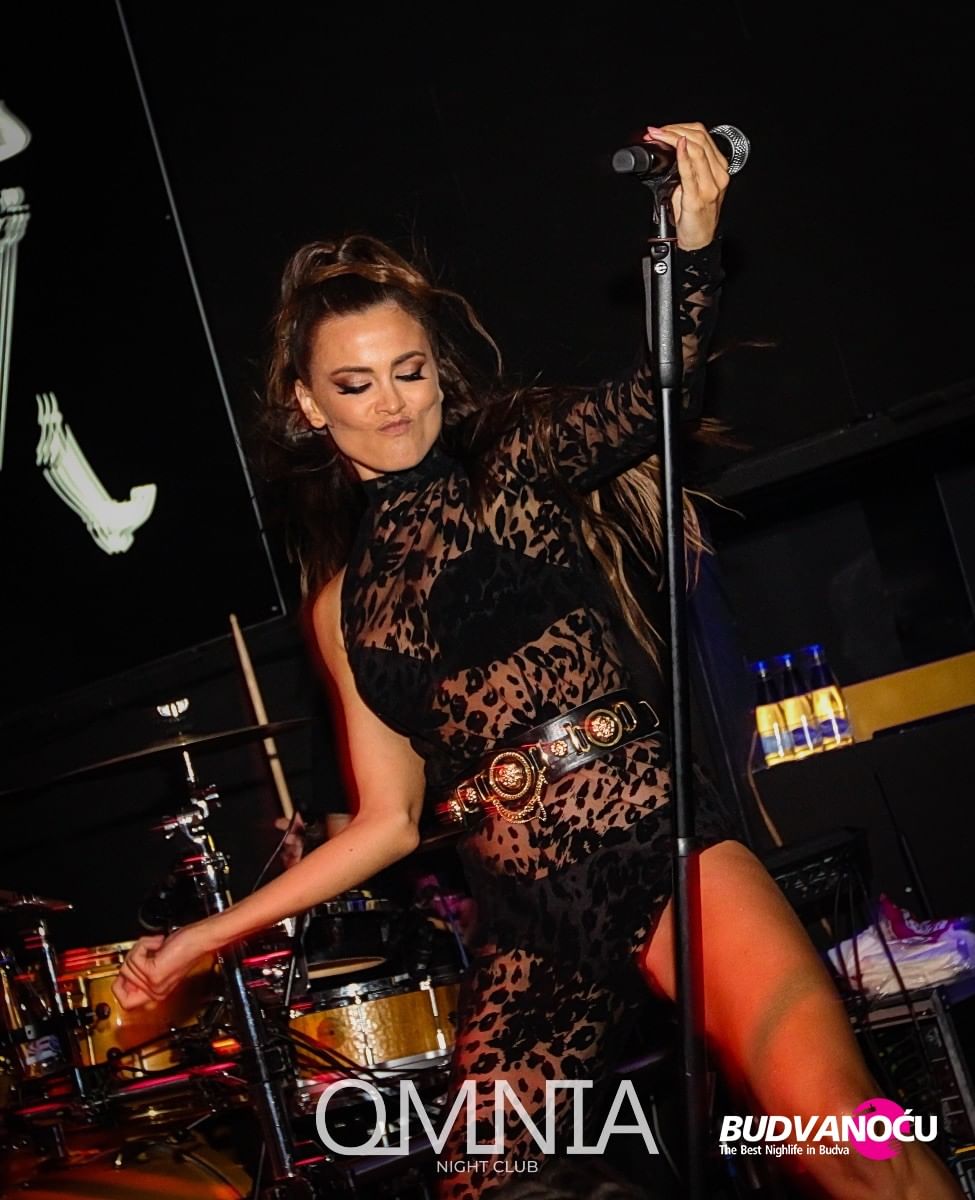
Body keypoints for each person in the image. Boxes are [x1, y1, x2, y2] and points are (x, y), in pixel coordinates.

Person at [112, 123, 961, 1199]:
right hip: (525, 914)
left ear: (438, 371)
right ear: (307, 406)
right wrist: (205, 939)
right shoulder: (339, 608)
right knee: (483, 1182)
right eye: (357, 384)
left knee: (839, 1132)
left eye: (410, 371)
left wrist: (692, 247)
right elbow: (385, 823)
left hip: (651, 838)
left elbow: (657, 395)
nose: (394, 403)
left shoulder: (510, 462)